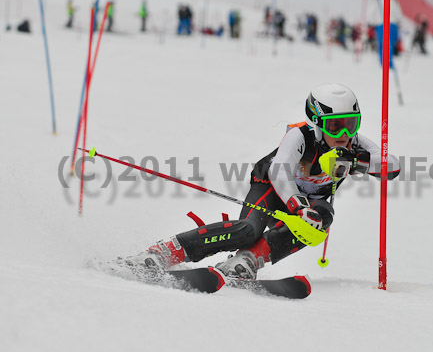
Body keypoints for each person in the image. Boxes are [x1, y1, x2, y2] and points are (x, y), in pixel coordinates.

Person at [124, 83, 401, 280]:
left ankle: (248, 260)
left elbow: (393, 166)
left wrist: (355, 161)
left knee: (322, 218)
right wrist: (298, 206)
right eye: (335, 126)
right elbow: (279, 173)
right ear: (317, 123)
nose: (344, 133)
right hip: (270, 188)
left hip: (310, 200)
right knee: (247, 230)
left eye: (351, 123)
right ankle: (165, 251)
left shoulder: (353, 145)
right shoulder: (301, 137)